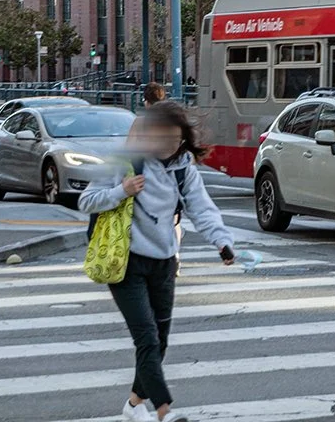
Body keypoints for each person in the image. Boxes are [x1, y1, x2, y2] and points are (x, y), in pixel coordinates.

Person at [79, 101, 239, 422]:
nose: (169, 147)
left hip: (164, 263)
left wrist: (222, 242)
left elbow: (202, 208)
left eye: (175, 141)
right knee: (147, 338)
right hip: (126, 263)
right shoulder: (125, 162)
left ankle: (135, 405)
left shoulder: (183, 169)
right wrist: (121, 191)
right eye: (163, 139)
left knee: (159, 342)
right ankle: (165, 411)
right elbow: (86, 201)